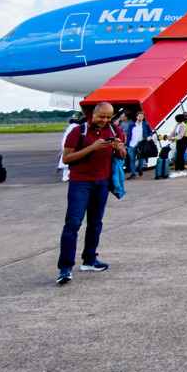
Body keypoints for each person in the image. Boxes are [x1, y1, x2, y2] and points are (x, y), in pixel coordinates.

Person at [56, 102, 126, 285]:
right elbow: (66, 158)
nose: (105, 120)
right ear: (92, 114)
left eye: (109, 117)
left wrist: (118, 148)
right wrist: (92, 148)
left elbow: (122, 155)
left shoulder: (114, 130)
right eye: (102, 116)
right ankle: (65, 267)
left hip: (102, 182)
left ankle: (89, 259)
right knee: (73, 223)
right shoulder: (78, 131)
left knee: (95, 222)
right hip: (80, 183)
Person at [58, 111, 85, 182]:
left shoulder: (72, 126)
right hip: (70, 146)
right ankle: (68, 176)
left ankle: (66, 176)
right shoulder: (76, 127)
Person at [127, 110, 154, 178]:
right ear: (136, 117)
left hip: (141, 144)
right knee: (132, 159)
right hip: (132, 143)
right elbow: (129, 135)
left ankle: (140, 167)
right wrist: (126, 144)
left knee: (141, 158)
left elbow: (151, 132)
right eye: (139, 116)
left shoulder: (145, 124)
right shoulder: (132, 125)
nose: (140, 118)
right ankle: (133, 173)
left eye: (142, 117)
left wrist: (149, 136)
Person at [167, 113, 187, 178]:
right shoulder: (177, 125)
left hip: (184, 140)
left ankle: (179, 169)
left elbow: (181, 135)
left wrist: (172, 138)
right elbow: (173, 132)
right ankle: (180, 169)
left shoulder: (183, 125)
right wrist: (169, 136)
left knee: (180, 154)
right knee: (178, 154)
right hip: (179, 140)